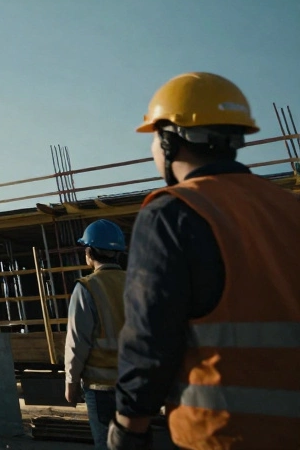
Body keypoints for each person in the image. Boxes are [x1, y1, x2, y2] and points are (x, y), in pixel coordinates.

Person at [109, 72, 300, 450]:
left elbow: (150, 338)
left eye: (153, 137)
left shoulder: (173, 212)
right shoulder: (289, 207)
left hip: (222, 433)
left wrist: (129, 425)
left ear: (169, 138)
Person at [64, 219, 128, 450]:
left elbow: (77, 341)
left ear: (89, 252)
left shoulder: (87, 287)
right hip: (136, 385)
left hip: (101, 389)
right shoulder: (138, 283)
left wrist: (71, 381)